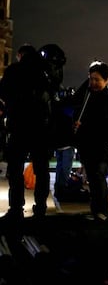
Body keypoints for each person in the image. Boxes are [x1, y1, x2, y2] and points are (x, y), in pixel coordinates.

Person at [0, 44, 60, 221]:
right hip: (41, 128)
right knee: (42, 170)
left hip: (19, 126)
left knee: (15, 168)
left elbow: (2, 92)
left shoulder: (14, 70)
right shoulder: (44, 72)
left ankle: (16, 208)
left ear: (20, 55)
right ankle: (40, 208)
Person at [72, 60, 108, 221]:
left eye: (97, 79)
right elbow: (76, 109)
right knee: (92, 177)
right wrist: (77, 122)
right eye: (91, 79)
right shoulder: (87, 94)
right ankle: (95, 209)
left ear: (107, 80)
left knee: (98, 176)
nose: (93, 83)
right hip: (87, 142)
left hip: (103, 144)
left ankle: (101, 211)